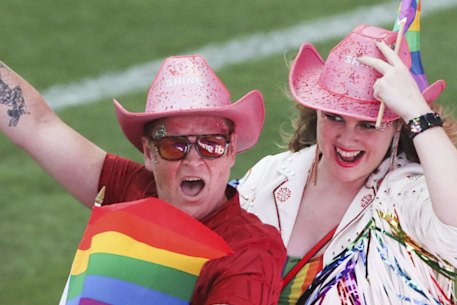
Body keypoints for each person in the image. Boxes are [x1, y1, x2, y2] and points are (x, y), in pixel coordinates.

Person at [236, 23, 457, 305]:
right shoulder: (273, 173)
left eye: (369, 125)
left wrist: (417, 112)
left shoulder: (404, 195)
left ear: (398, 126)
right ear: (316, 113)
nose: (347, 138)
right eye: (334, 117)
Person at [0, 55, 286, 304]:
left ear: (231, 151)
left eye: (211, 144)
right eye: (174, 146)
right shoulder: (134, 191)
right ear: (149, 153)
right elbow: (37, 125)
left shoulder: (251, 250)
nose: (194, 160)